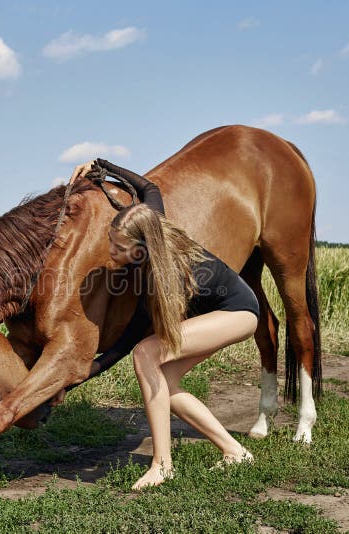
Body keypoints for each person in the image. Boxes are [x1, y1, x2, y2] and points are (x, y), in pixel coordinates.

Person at [68, 158, 260, 490]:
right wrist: (101, 165)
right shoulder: (150, 221)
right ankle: (234, 451)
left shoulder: (160, 277)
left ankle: (162, 464)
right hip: (221, 310)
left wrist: (91, 370)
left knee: (146, 354)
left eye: (119, 248)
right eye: (112, 240)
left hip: (238, 312)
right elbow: (148, 188)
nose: (111, 251)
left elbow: (130, 339)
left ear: (141, 250)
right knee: (166, 385)